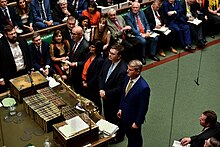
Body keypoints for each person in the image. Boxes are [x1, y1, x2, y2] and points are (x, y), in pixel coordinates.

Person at [117, 59, 150, 147]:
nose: (127, 71)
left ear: (137, 71)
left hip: (133, 120)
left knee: (135, 139)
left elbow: (143, 108)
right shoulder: (127, 77)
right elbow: (124, 95)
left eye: (130, 70)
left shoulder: (144, 87)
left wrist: (137, 123)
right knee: (129, 136)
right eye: (128, 69)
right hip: (125, 115)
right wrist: (121, 108)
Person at [99, 44, 127, 143]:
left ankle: (119, 137)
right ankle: (109, 133)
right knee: (108, 116)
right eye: (109, 52)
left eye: (112, 54)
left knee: (116, 119)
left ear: (119, 56)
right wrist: (101, 89)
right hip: (105, 97)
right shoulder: (107, 61)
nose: (109, 55)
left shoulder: (123, 70)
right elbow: (101, 76)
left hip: (115, 100)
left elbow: (119, 89)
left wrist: (106, 93)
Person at [0, 25, 32, 93]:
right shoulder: (2, 46)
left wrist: (31, 68)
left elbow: (28, 55)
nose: (14, 35)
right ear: (6, 35)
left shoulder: (22, 40)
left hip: (24, 71)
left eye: (15, 33)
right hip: (11, 75)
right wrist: (1, 78)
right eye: (11, 34)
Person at [80, 39, 104, 111]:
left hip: (93, 86)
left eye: (93, 47)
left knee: (94, 104)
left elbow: (97, 75)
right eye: (90, 46)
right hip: (85, 82)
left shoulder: (100, 60)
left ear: (97, 48)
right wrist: (83, 81)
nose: (90, 48)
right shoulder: (89, 55)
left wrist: (88, 84)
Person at [69, 26, 89, 94]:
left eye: (74, 34)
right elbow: (73, 53)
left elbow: (87, 62)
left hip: (80, 73)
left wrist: (76, 63)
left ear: (80, 35)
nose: (72, 36)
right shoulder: (73, 41)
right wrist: (68, 57)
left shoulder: (85, 46)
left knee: (80, 91)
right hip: (74, 72)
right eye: (72, 33)